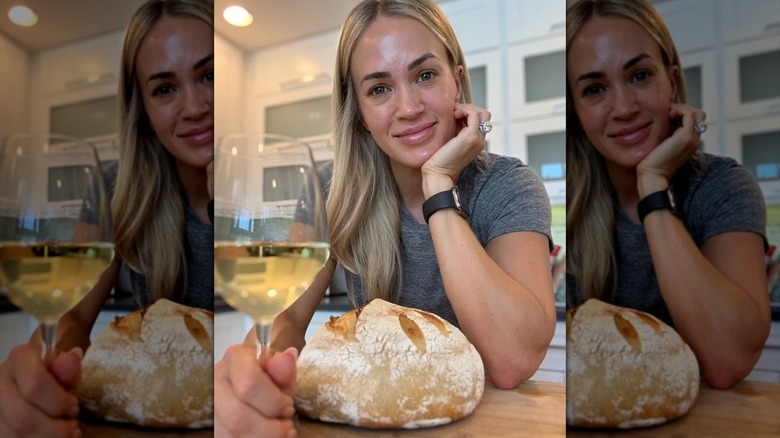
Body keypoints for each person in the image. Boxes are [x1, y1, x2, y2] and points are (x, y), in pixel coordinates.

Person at [215, 0, 557, 436]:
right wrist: (255, 378)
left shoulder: (509, 186)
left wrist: (438, 186)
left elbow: (512, 361)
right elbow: (283, 317)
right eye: (379, 89)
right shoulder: (333, 188)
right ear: (358, 111)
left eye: (425, 75)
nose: (409, 107)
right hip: (369, 418)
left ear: (457, 82)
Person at [0, 0, 214, 436]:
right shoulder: (117, 188)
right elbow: (74, 318)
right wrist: (47, 372)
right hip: (149, 419)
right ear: (144, 111)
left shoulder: (252, 201)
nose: (194, 106)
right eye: (164, 89)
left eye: (210, 76)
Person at [565, 0, 770, 389]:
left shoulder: (722, 186)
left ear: (671, 81)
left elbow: (728, 360)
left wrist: (653, 188)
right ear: (575, 111)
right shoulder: (570, 205)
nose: (623, 107)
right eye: (594, 89)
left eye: (640, 76)